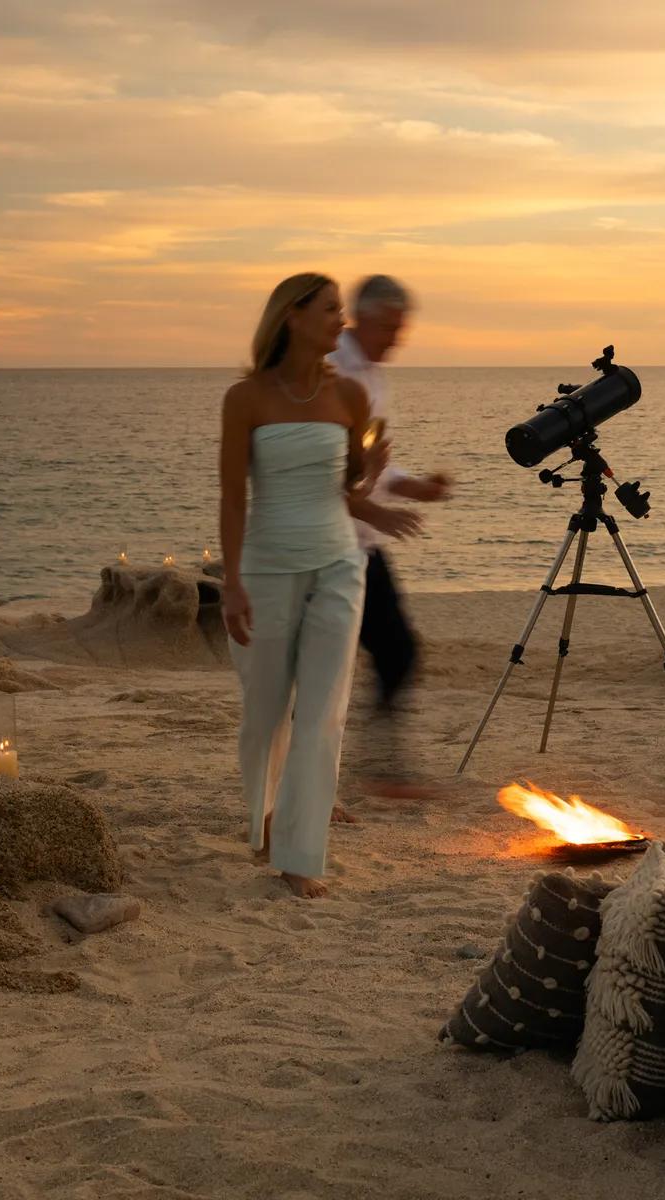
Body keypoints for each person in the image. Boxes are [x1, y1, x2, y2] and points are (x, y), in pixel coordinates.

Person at [218, 273, 420, 898]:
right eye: (331, 309)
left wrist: (376, 485)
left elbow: (344, 490)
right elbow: (233, 498)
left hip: (339, 563)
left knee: (324, 711)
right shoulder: (246, 397)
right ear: (293, 316)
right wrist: (230, 582)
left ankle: (301, 853)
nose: (341, 321)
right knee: (265, 710)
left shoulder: (351, 396)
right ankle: (269, 817)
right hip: (268, 565)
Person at [328, 276, 451, 798]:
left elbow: (376, 460)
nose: (397, 340)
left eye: (402, 329)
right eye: (390, 327)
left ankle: (376, 768)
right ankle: (363, 771)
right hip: (331, 540)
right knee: (347, 659)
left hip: (360, 540)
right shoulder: (333, 367)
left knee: (396, 651)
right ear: (362, 317)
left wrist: (413, 487)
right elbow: (325, 461)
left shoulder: (374, 376)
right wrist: (375, 512)